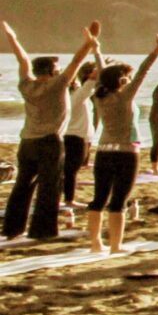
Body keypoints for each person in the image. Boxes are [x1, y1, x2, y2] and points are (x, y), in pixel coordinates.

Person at [2, 22, 97, 242]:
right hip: (49, 141)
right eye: (57, 66)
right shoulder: (58, 84)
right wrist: (89, 44)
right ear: (52, 71)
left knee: (22, 185)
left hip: (27, 141)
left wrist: (12, 38)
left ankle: (12, 229)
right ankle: (42, 231)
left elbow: (23, 60)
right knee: (49, 186)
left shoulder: (26, 85)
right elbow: (76, 61)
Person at [84, 29, 158, 253]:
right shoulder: (124, 96)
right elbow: (144, 70)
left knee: (98, 198)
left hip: (103, 151)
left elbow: (103, 73)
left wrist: (97, 50)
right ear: (122, 80)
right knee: (119, 201)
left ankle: (95, 243)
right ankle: (115, 245)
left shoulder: (99, 95)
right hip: (126, 153)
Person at [62, 57, 98, 213]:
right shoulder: (76, 95)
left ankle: (65, 198)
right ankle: (69, 200)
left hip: (77, 135)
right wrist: (100, 61)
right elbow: (90, 83)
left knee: (69, 170)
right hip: (74, 136)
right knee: (70, 170)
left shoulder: (74, 95)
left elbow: (90, 84)